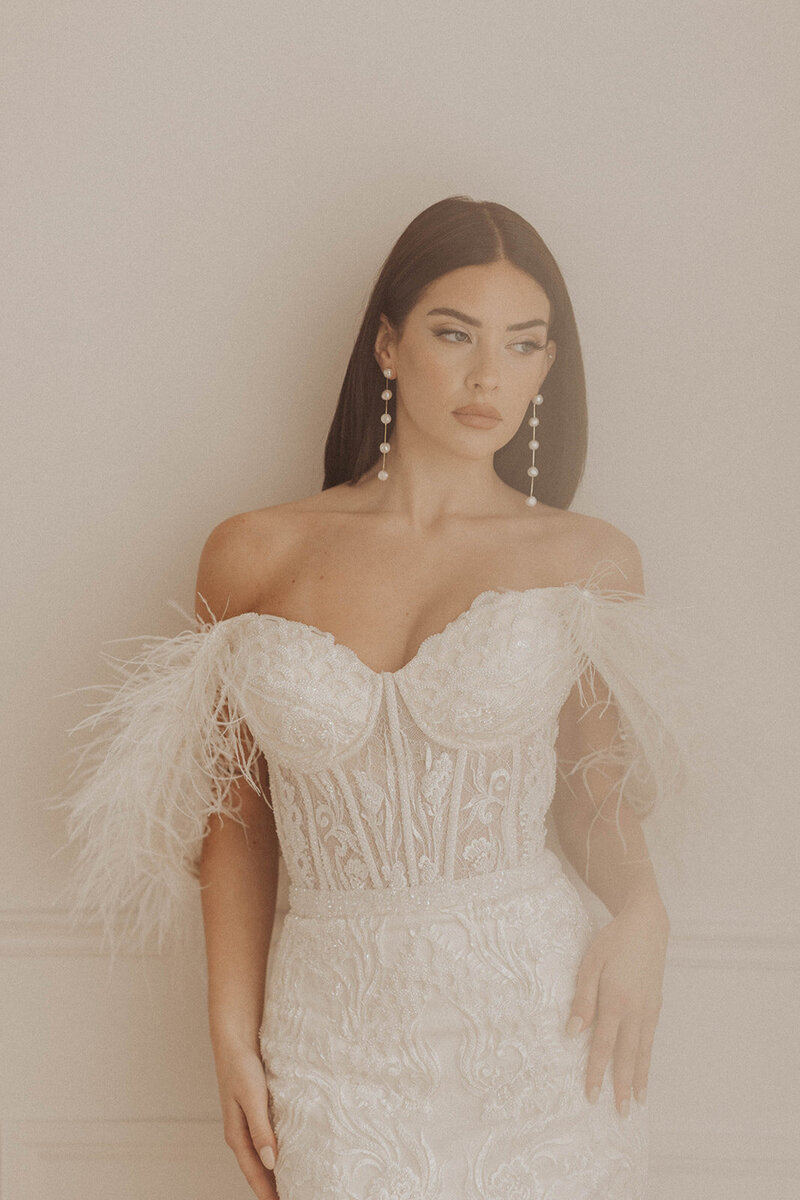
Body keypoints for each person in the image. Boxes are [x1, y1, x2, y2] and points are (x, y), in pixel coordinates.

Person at [52, 196, 704, 1199]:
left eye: (522, 345)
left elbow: (592, 795)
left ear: (544, 368)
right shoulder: (253, 552)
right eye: (455, 335)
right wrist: (232, 1037)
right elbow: (238, 821)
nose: (489, 375)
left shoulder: (582, 561)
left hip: (541, 1033)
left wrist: (645, 914)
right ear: (389, 346)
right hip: (331, 1040)